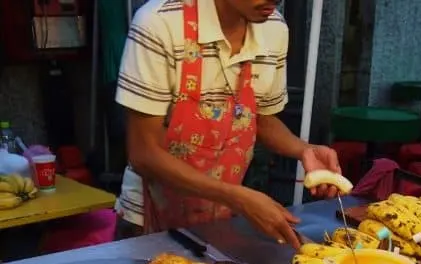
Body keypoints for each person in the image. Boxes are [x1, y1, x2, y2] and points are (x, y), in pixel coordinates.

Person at [114, 0, 341, 248]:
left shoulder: (274, 29)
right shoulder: (159, 24)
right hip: (149, 219)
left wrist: (303, 149)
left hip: (219, 220)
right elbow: (144, 153)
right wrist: (236, 198)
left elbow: (260, 119)